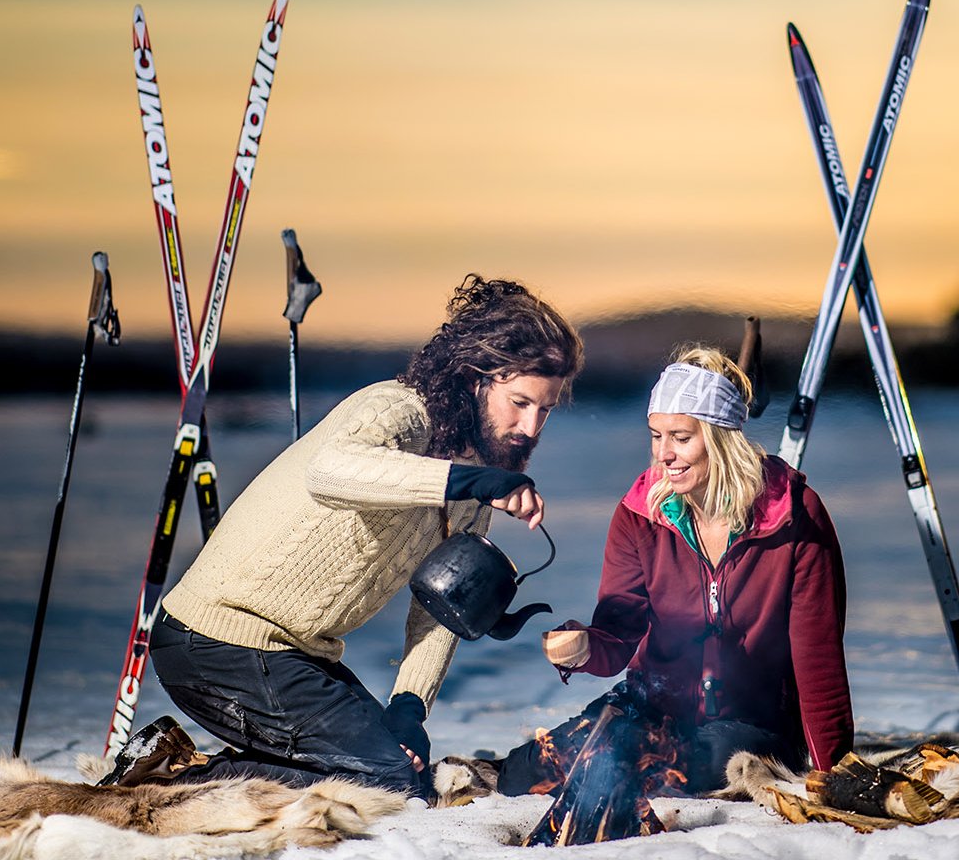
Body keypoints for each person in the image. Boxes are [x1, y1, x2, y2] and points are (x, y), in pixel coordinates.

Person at [114, 274, 583, 798]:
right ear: (475, 378)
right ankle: (170, 784)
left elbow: (439, 609)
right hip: (217, 640)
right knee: (385, 782)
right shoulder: (397, 410)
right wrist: (468, 479)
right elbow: (332, 472)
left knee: (403, 771)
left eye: (545, 409)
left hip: (299, 654)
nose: (532, 426)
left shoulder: (474, 488)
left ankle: (178, 757)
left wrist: (409, 707)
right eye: (520, 402)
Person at [498, 345, 853, 796]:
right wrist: (585, 647)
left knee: (685, 756)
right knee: (527, 774)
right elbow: (619, 633)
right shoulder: (640, 514)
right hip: (650, 709)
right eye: (655, 435)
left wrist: (835, 775)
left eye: (681, 438)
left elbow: (817, 659)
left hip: (751, 727)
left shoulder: (794, 518)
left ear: (722, 438)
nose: (664, 454)